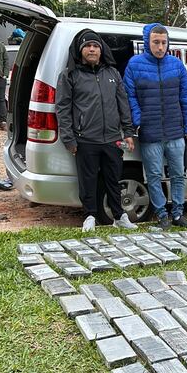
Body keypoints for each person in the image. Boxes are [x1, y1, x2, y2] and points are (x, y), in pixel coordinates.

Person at [55, 29, 138, 232]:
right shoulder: (69, 75)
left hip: (111, 138)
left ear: (101, 51)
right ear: (80, 49)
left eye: (95, 46)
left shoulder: (112, 73)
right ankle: (89, 216)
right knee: (88, 181)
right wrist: (69, 139)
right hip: (85, 139)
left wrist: (127, 131)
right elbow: (63, 108)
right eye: (87, 46)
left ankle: (119, 216)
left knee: (113, 179)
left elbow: (123, 104)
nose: (92, 49)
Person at [123, 23, 187, 230]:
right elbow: (129, 97)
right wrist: (138, 120)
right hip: (150, 132)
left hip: (175, 131)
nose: (160, 46)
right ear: (147, 42)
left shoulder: (176, 65)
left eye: (164, 42)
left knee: (177, 174)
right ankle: (162, 215)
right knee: (154, 175)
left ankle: (178, 214)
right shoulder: (134, 65)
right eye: (156, 42)